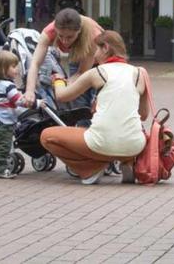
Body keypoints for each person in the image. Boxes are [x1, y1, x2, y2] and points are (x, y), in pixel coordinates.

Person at [40, 30, 148, 185]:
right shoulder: (140, 73)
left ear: (105, 48)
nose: (94, 55)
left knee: (47, 136)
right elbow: (143, 115)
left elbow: (62, 96)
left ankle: (90, 168)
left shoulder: (97, 72)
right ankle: (128, 161)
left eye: (96, 49)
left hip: (101, 143)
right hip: (134, 144)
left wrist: (58, 80)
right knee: (127, 132)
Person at [23, 8, 103, 107]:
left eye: (70, 37)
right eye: (60, 36)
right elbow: (35, 63)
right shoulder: (49, 31)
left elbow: (82, 72)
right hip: (76, 55)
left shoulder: (92, 35)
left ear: (79, 31)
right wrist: (29, 91)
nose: (65, 41)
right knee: (77, 99)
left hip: (99, 62)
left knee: (95, 98)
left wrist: (62, 83)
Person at [0, 51, 41, 179]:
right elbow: (20, 101)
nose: (17, 69)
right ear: (3, 69)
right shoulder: (8, 85)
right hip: (3, 124)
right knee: (3, 148)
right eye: (13, 66)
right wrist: (37, 103)